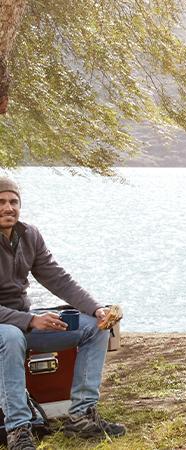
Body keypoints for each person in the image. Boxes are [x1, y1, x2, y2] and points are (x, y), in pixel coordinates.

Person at [0, 177, 125, 449]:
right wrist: (31, 320)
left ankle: (81, 416)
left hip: (24, 320)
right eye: (1, 201)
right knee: (10, 337)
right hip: (9, 328)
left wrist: (96, 308)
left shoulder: (29, 235)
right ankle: (18, 430)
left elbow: (59, 279)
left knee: (95, 326)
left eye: (13, 201)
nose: (8, 207)